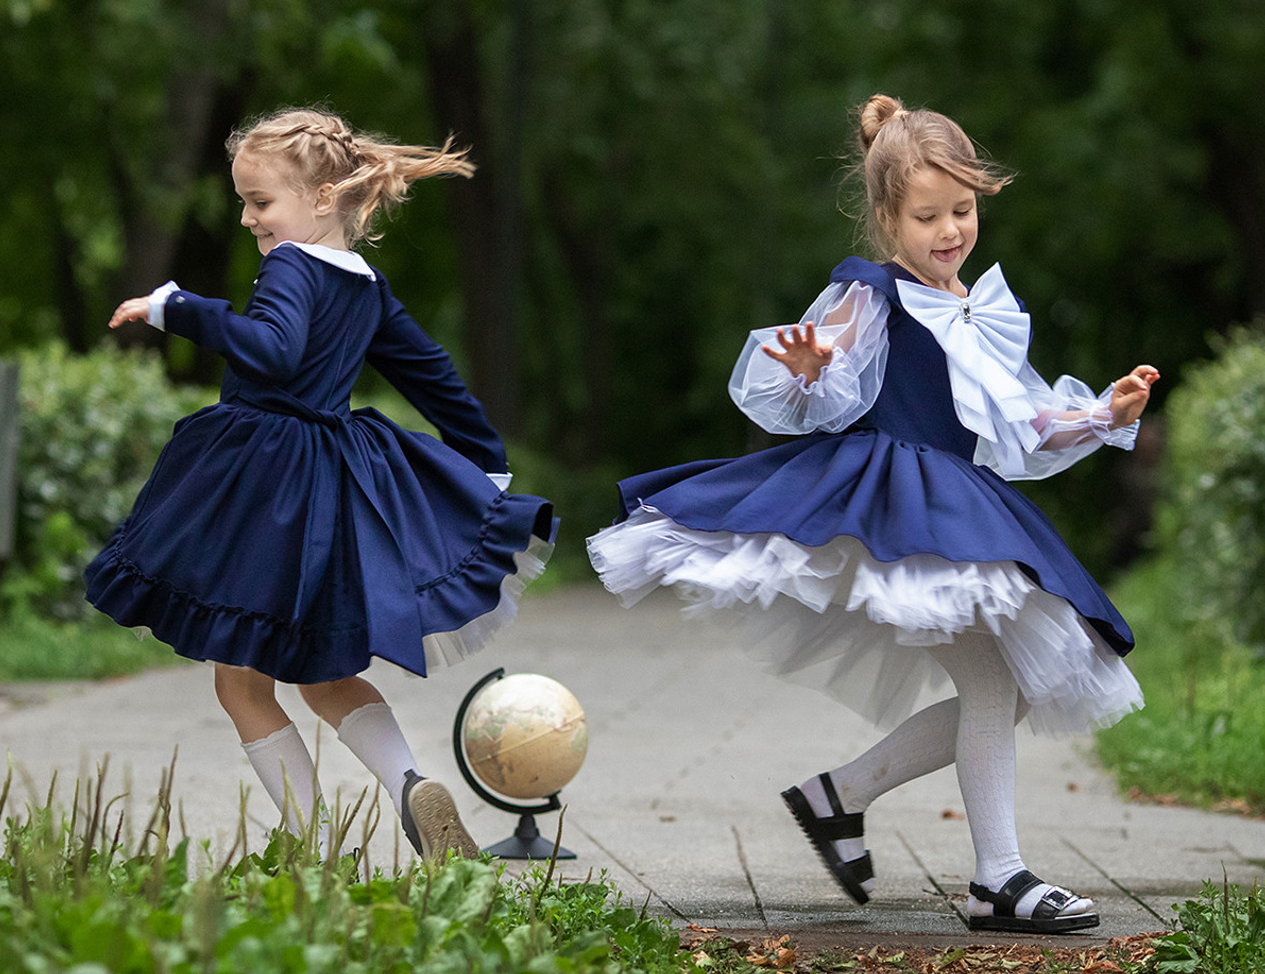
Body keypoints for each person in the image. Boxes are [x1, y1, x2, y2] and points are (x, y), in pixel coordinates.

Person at [588, 94, 1157, 935]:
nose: (949, 230)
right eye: (927, 216)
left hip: (962, 498)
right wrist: (814, 368)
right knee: (1001, 681)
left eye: (961, 210)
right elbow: (813, 395)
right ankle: (995, 876)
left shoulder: (980, 309)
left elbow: (1022, 424)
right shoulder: (869, 293)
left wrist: (1102, 415)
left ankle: (841, 797)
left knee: (1018, 687)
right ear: (888, 219)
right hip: (899, 501)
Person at [86, 106, 554, 862]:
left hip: (258, 487)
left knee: (240, 683)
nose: (246, 219)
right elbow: (432, 376)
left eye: (260, 202)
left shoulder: (290, 266)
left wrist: (181, 309)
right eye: (243, 201)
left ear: (328, 196)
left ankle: (307, 848)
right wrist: (484, 463)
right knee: (324, 673)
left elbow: (270, 352)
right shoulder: (365, 284)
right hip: (329, 492)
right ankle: (410, 785)